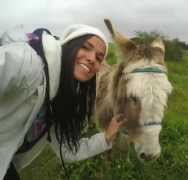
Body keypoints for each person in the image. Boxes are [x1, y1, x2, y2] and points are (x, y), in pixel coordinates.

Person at [0, 24, 126, 180]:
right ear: (69, 45)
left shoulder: (60, 96)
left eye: (99, 57)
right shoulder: (28, 63)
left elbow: (66, 151)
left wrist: (105, 137)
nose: (92, 58)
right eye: (85, 47)